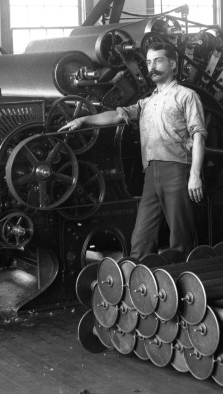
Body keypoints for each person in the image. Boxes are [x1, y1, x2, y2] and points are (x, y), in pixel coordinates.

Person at [59, 42, 205, 257]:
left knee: (180, 238)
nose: (151, 67)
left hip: (176, 169)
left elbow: (199, 135)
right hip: (150, 174)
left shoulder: (186, 96)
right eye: (148, 62)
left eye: (158, 60)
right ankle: (144, 281)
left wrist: (195, 175)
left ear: (172, 64)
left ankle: (183, 283)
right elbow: (117, 115)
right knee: (141, 239)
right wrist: (84, 119)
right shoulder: (147, 102)